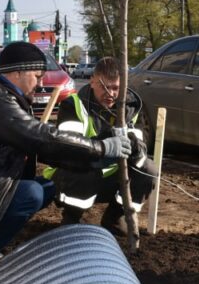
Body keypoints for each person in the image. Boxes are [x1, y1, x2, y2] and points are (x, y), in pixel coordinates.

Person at [0, 42, 131, 268]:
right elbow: (42, 138)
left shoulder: (5, 96)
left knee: (50, 185)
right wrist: (100, 148)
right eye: (37, 76)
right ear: (18, 73)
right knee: (30, 194)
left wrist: (89, 159)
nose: (40, 83)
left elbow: (43, 147)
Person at [48, 56, 156, 236]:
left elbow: (142, 149)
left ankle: (116, 217)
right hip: (72, 176)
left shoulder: (132, 108)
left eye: (115, 88)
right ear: (92, 81)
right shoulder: (74, 105)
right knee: (83, 168)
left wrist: (135, 147)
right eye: (104, 87)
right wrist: (103, 144)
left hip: (113, 176)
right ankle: (72, 217)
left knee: (148, 170)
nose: (110, 93)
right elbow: (69, 150)